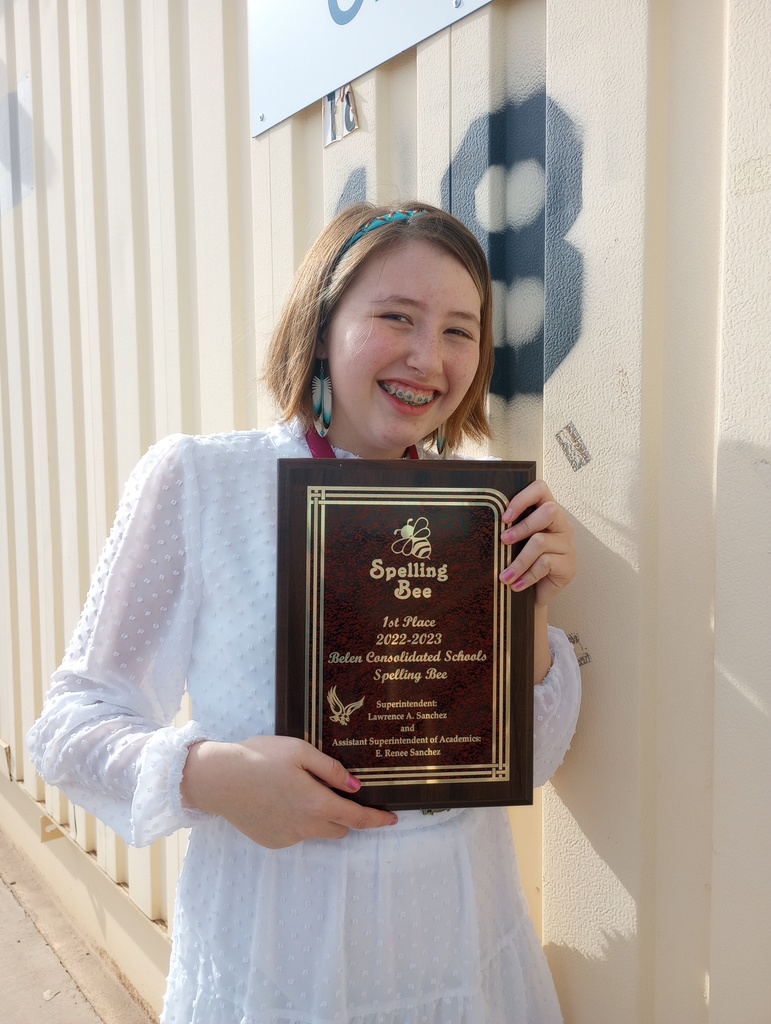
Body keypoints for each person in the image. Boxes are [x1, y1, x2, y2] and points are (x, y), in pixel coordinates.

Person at [27, 201, 581, 1023]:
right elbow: (68, 728)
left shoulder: (480, 514)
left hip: (460, 952)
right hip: (275, 960)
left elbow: (527, 764)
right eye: (397, 317)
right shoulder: (204, 482)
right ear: (321, 327)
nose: (428, 357)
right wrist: (212, 775)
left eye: (458, 331)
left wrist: (526, 603)